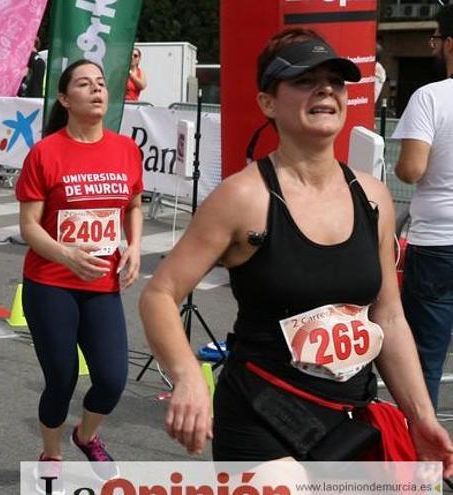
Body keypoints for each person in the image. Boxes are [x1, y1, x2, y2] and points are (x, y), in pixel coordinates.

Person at [139, 28, 453, 471]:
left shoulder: (373, 197)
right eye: (304, 80)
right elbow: (160, 294)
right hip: (261, 414)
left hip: (349, 420)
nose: (325, 89)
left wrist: (419, 416)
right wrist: (188, 374)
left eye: (335, 81)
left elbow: (388, 315)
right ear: (268, 102)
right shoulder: (244, 198)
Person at [16, 59, 143, 484]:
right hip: (50, 283)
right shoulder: (46, 152)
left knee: (112, 378)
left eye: (101, 84)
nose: (96, 90)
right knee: (62, 377)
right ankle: (51, 455)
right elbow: (29, 226)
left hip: (101, 284)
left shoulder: (126, 149)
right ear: (65, 99)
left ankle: (86, 436)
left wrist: (135, 247)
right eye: (84, 84)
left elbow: (134, 205)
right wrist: (64, 254)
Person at [393, 5, 453, 409]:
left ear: (450, 44)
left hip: (438, 242)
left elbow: (411, 170)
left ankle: (422, 467)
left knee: (424, 363)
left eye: (435, 39)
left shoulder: (431, 97)